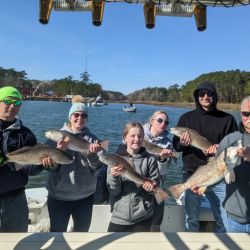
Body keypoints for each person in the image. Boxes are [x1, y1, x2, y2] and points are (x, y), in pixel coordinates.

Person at [172, 81, 238, 232]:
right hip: (192, 175)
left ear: (214, 97)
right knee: (191, 219)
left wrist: (220, 148)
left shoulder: (227, 119)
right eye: (201, 93)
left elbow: (235, 145)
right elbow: (176, 147)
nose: (206, 96)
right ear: (197, 96)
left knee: (224, 219)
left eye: (209, 94)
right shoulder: (186, 119)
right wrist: (183, 144)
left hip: (218, 173)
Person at [45, 95, 103, 232]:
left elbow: (97, 168)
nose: (79, 118)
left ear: (87, 119)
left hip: (85, 197)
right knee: (58, 235)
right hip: (59, 196)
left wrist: (93, 156)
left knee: (82, 235)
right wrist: (58, 152)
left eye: (83, 116)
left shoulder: (93, 140)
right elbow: (50, 168)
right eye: (76, 115)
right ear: (70, 117)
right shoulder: (55, 138)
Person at [0, 86, 45, 232]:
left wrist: (41, 164)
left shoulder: (26, 134)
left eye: (17, 103)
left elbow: (29, 170)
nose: (12, 106)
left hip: (15, 197)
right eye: (7, 101)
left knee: (16, 238)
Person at [107, 122, 160, 232]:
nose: (137, 139)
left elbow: (156, 182)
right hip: (119, 217)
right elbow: (114, 192)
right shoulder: (115, 159)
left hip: (143, 217)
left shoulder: (150, 159)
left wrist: (152, 188)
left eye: (140, 136)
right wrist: (114, 177)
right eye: (132, 136)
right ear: (125, 138)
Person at [216, 96, 250, 233]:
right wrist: (202, 186)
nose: (249, 118)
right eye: (246, 114)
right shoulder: (229, 139)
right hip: (234, 219)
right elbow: (217, 171)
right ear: (241, 114)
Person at [143, 110, 173, 231]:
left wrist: (162, 159)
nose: (163, 124)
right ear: (151, 121)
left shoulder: (168, 143)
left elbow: (162, 171)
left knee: (156, 223)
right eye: (159, 120)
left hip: (157, 184)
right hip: (139, 183)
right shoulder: (138, 134)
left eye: (166, 122)